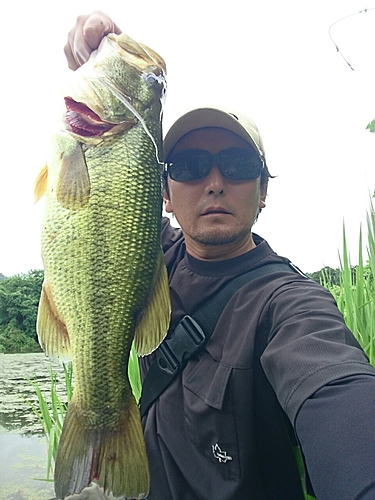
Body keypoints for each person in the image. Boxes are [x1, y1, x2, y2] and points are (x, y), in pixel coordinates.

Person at [63, 12, 375, 500]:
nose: (213, 182)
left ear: (263, 189)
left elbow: (340, 396)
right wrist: (99, 51)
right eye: (188, 166)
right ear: (162, 193)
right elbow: (107, 210)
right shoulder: (149, 257)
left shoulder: (289, 306)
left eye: (236, 164)